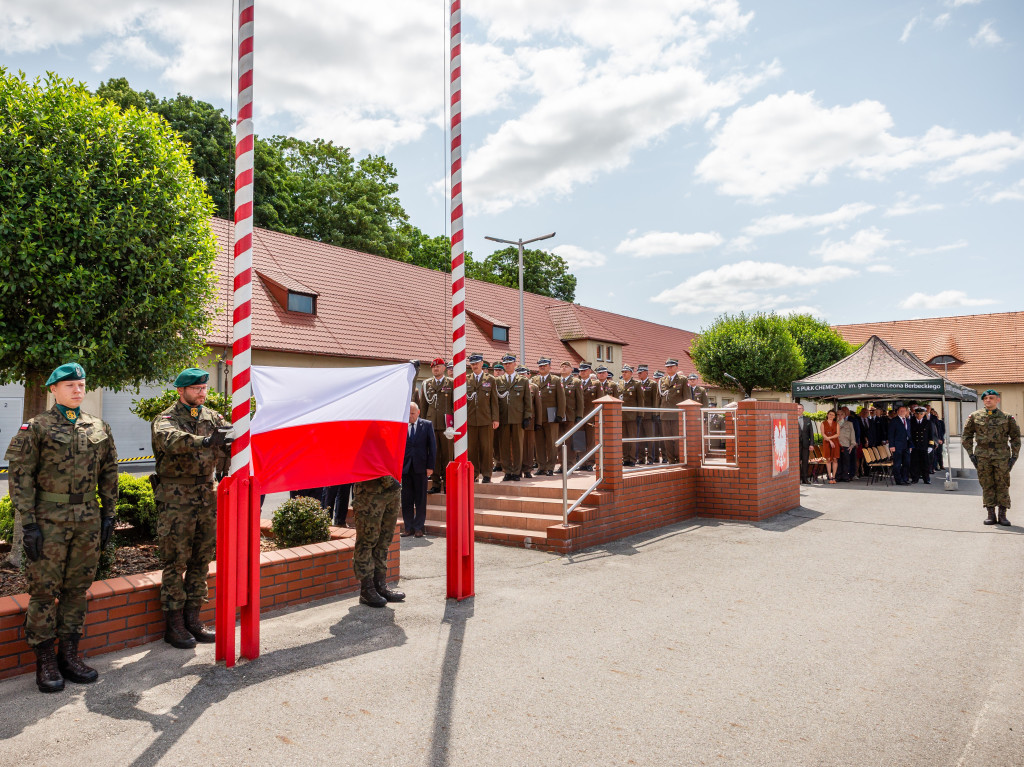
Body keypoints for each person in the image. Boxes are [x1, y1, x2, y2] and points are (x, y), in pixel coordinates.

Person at [4, 363, 118, 693]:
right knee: (43, 591)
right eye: (69, 385)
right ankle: (45, 660)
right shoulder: (35, 427)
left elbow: (109, 472)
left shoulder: (98, 426)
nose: (77, 390)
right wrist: (28, 524)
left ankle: (69, 654)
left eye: (81, 385)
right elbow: (20, 478)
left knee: (76, 589)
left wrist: (109, 515)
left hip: (87, 519)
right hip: (49, 520)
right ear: (53, 390)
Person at [152, 367, 233, 650]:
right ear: (181, 391)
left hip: (205, 496)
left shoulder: (213, 418)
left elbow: (230, 443)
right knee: (175, 561)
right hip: (176, 498)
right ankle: (174, 626)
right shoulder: (166, 419)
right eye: (197, 388)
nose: (203, 392)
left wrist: (231, 451)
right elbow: (172, 440)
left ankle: (194, 620)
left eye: (205, 388)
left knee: (201, 559)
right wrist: (206, 441)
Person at [962, 389, 1021, 526]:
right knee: (986, 484)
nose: (988, 400)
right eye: (986, 398)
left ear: (997, 400)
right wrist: (971, 454)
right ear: (983, 400)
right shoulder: (975, 416)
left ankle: (1003, 515)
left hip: (1001, 456)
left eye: (991, 398)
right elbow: (966, 436)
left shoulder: (1007, 417)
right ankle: (990, 514)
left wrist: (1014, 456)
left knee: (1002, 484)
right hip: (982, 456)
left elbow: (1016, 437)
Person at [352, 476, 406, 606]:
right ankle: (367, 589)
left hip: (392, 491)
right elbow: (371, 459)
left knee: (384, 541)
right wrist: (389, 481)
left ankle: (380, 586)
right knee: (367, 541)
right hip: (371, 493)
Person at [416, 357, 453, 494]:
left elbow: (455, 405)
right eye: (433, 367)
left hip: (446, 425)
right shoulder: (426, 384)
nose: (435, 369)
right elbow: (423, 407)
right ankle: (436, 483)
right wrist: (423, 425)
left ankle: (448, 483)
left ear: (444, 368)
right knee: (434, 455)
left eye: (438, 366)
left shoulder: (451, 383)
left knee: (448, 455)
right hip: (431, 424)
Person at [400, 401, 435, 538]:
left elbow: (432, 447)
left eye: (413, 413)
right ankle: (408, 527)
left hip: (421, 468)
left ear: (418, 412)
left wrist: (430, 467)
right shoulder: (402, 426)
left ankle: (419, 527)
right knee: (406, 499)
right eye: (408, 413)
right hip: (406, 468)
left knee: (420, 499)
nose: (410, 416)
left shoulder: (426, 425)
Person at [498, 356, 533, 480]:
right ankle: (507, 471)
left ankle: (517, 472)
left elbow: (527, 401)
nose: (507, 365)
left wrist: (527, 417)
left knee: (518, 446)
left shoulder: (523, 380)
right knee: (504, 446)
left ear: (514, 364)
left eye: (509, 363)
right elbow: (496, 401)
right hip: (503, 418)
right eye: (505, 363)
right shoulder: (498, 380)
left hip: (518, 418)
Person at [466, 353, 499, 482]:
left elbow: (494, 401)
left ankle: (487, 474)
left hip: (486, 419)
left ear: (481, 364)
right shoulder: (466, 379)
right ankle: (474, 474)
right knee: (472, 449)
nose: (474, 366)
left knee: (486, 448)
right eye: (472, 364)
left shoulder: (490, 379)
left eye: (476, 363)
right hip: (471, 420)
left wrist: (495, 418)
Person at [532, 358, 565, 476]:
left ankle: (551, 467)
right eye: (540, 365)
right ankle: (541, 467)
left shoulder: (556, 380)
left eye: (545, 365)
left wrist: (560, 414)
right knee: (539, 443)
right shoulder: (534, 380)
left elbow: (561, 399)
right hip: (538, 417)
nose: (542, 367)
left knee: (552, 443)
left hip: (552, 416)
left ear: (550, 367)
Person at [558, 361, 585, 471]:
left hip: (570, 415)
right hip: (558, 416)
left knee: (570, 441)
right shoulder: (556, 381)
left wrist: (579, 415)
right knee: (560, 441)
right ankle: (561, 464)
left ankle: (570, 465)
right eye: (562, 367)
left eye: (566, 367)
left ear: (571, 370)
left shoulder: (576, 382)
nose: (564, 368)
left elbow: (580, 400)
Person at [658, 359, 686, 464]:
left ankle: (679, 459)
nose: (669, 368)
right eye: (667, 367)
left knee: (678, 438)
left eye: (671, 366)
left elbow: (687, 397)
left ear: (676, 367)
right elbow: (659, 398)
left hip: (677, 414)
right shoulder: (662, 380)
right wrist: (658, 412)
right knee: (667, 439)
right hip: (665, 413)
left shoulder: (682, 380)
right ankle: (670, 460)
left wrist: (685, 413)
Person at [578, 363, 600, 469]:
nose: (582, 372)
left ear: (590, 371)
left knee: (591, 440)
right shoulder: (576, 383)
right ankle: (582, 462)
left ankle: (590, 462)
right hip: (579, 416)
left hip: (591, 416)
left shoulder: (596, 384)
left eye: (585, 370)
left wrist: (598, 416)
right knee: (579, 440)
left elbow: (600, 401)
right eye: (581, 370)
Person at [618, 365, 641, 466]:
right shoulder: (619, 384)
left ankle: (632, 459)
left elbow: (641, 400)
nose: (624, 374)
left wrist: (640, 414)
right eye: (623, 372)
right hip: (621, 416)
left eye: (626, 372)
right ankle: (625, 458)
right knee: (623, 438)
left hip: (632, 416)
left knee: (632, 438)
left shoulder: (637, 384)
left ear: (631, 373)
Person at [908, 405, 937, 484]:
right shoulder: (911, 422)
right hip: (915, 446)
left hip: (924, 446)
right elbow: (909, 435)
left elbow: (931, 435)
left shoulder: (928, 423)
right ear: (915, 414)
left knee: (925, 463)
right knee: (915, 463)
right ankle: (915, 478)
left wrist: (930, 446)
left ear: (924, 414)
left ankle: (926, 478)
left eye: (921, 414)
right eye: (917, 414)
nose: (919, 415)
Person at [887, 405, 912, 485]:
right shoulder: (894, 421)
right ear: (897, 412)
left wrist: (911, 445)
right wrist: (891, 445)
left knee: (907, 463)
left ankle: (905, 479)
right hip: (897, 446)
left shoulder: (908, 420)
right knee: (897, 464)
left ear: (906, 412)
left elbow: (909, 434)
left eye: (904, 411)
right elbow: (891, 434)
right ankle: (898, 480)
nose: (902, 412)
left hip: (907, 445)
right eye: (900, 411)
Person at [821, 409, 840, 484]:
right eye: (830, 414)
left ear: (835, 416)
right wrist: (829, 441)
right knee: (828, 459)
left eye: (833, 415)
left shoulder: (836, 424)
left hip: (835, 442)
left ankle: (834, 476)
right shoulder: (823, 423)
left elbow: (838, 434)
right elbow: (823, 434)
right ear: (827, 414)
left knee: (835, 459)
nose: (831, 416)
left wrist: (830, 438)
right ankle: (829, 476)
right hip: (826, 442)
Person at [837, 409, 857, 482]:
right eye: (838, 414)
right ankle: (838, 476)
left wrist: (852, 445)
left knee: (846, 461)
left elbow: (852, 434)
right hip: (837, 445)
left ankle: (845, 476)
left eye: (841, 414)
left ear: (844, 415)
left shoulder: (849, 423)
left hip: (846, 444)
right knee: (838, 461)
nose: (840, 416)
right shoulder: (834, 423)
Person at [797, 404, 814, 483]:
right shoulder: (791, 419)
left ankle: (804, 479)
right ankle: (797, 479)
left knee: (805, 462)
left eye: (800, 408)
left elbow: (811, 433)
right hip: (795, 445)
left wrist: (811, 444)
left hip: (806, 444)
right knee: (796, 462)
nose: (799, 410)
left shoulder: (807, 419)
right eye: (797, 408)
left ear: (803, 410)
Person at [929, 407, 945, 473]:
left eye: (935, 413)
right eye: (932, 413)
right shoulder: (931, 422)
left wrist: (940, 439)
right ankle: (934, 467)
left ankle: (940, 465)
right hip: (934, 439)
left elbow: (942, 431)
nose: (934, 414)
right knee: (934, 454)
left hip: (940, 439)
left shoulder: (940, 422)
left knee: (939, 453)